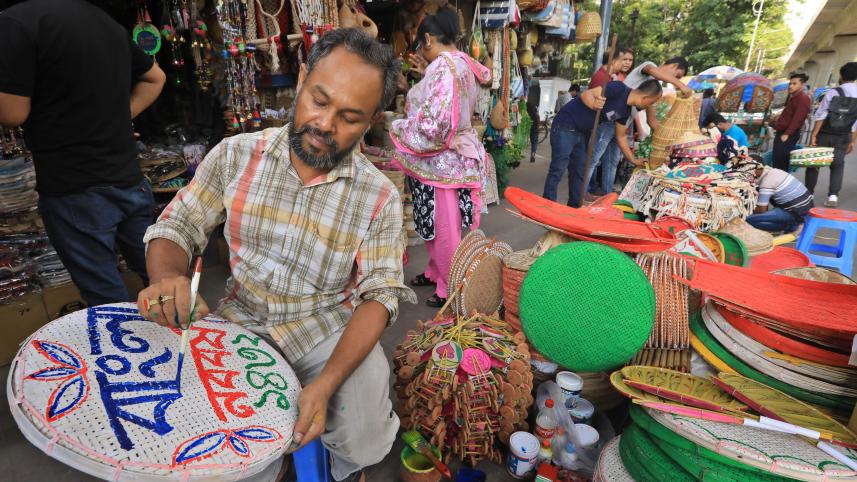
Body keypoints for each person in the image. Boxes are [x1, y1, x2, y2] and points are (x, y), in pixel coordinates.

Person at [140, 29, 416, 482]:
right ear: (303, 78)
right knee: (226, 453)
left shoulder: (379, 196)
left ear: (371, 122)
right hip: (241, 318)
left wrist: (325, 386)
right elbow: (178, 225)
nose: (326, 124)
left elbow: (380, 295)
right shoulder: (236, 155)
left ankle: (344, 472)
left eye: (350, 117)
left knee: (363, 431)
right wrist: (167, 277)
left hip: (326, 327)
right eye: (319, 100)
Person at [0, 0, 165, 306]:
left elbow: (13, 112)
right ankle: (181, 348)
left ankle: (125, 350)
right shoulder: (106, 23)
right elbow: (156, 78)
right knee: (161, 281)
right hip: (128, 180)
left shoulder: (15, 22)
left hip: (75, 186)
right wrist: (117, 117)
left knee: (106, 299)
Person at [392, 8, 490, 308]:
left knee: (444, 227)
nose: (421, 50)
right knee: (436, 222)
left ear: (429, 38)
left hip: (442, 161)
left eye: (421, 44)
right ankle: (436, 272)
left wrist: (399, 127)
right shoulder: (461, 63)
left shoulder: (445, 68)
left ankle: (450, 286)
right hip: (451, 158)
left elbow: (435, 125)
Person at [543, 79, 662, 208]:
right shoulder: (618, 88)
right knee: (558, 167)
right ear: (646, 97)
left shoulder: (626, 111)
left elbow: (620, 136)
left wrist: (634, 160)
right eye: (652, 102)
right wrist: (594, 104)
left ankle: (574, 207)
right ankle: (547, 204)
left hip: (583, 133)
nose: (650, 106)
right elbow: (586, 95)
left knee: (579, 170)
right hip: (565, 125)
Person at [806, 62, 857, 207]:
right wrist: (852, 141)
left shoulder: (833, 92)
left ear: (841, 75)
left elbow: (821, 114)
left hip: (825, 133)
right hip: (844, 135)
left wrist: (814, 134)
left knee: (814, 162)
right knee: (838, 165)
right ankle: (833, 196)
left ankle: (809, 195)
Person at [623, 56, 692, 132]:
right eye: (677, 76)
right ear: (674, 65)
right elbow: (652, 71)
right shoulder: (649, 65)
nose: (675, 79)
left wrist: (667, 134)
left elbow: (651, 120)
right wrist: (681, 85)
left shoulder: (655, 88)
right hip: (613, 116)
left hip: (623, 125)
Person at [745, 161, 814, 233]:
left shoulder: (766, 183)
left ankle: (791, 227)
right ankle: (792, 223)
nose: (747, 174)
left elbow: (761, 210)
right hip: (807, 208)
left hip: (796, 213)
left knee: (749, 220)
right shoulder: (775, 171)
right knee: (767, 207)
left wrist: (748, 211)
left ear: (757, 168)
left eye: (748, 170)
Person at [771, 73, 811, 171]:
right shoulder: (793, 97)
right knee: (777, 160)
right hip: (783, 131)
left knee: (781, 161)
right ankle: (778, 182)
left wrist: (787, 134)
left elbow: (798, 119)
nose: (791, 86)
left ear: (802, 85)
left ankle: (780, 183)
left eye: (794, 84)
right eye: (790, 83)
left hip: (788, 133)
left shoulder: (803, 98)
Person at [527, 72, 542, 163]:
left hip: (527, 125)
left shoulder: (526, 107)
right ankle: (533, 153)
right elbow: (538, 117)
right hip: (535, 125)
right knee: (534, 140)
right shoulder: (534, 109)